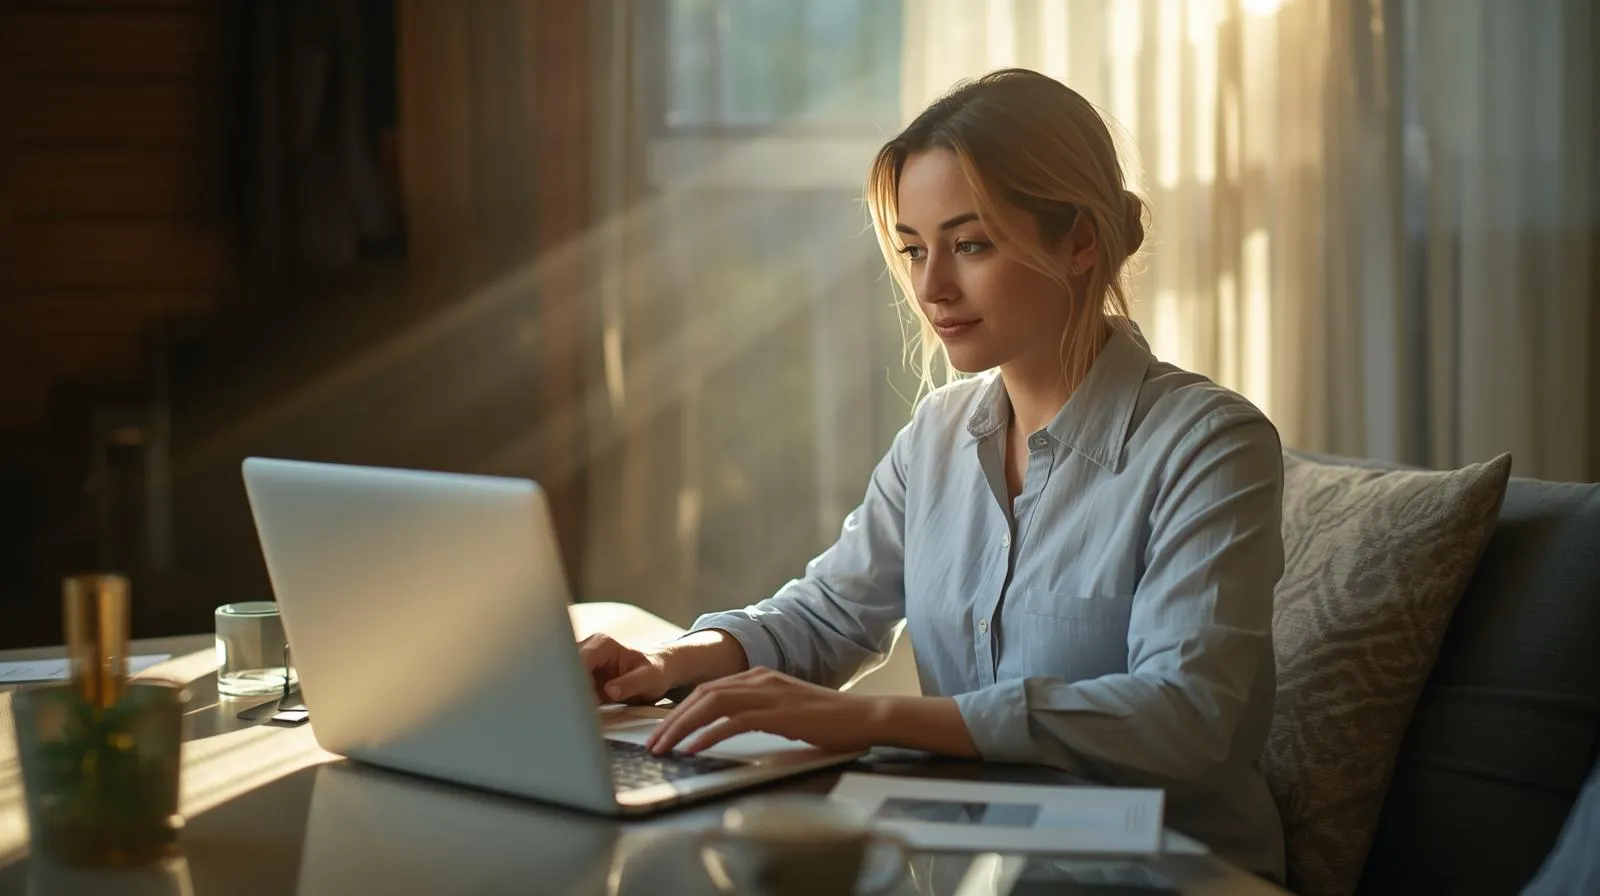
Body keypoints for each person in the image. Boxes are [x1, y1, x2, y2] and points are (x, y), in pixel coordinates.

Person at [580, 68, 1287, 881]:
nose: (930, 287)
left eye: (971, 244)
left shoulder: (1209, 444)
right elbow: (827, 614)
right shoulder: (939, 436)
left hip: (1162, 874)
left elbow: (1183, 714)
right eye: (915, 249)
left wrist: (875, 719)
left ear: (1080, 241)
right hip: (973, 866)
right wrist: (670, 663)